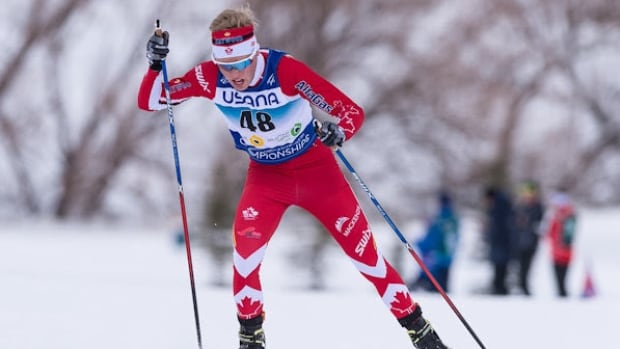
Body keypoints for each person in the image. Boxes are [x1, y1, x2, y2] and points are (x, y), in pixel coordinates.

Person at [137, 6, 451, 349]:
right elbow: (152, 100)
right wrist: (155, 66)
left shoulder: (284, 70)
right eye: (226, 67)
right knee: (245, 257)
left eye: (241, 64)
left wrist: (338, 132)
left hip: (318, 174)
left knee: (367, 259)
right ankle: (251, 338)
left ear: (254, 53)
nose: (235, 75)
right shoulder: (208, 77)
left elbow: (350, 112)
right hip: (266, 178)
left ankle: (420, 332)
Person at [409, 191, 459, 293]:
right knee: (443, 289)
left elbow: (432, 238)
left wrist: (418, 243)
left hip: (436, 258)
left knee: (435, 289)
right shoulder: (454, 219)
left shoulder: (439, 219)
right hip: (448, 258)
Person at [543, 188, 577, 297]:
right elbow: (549, 233)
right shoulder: (555, 216)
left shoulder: (569, 216)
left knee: (562, 282)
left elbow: (569, 236)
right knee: (558, 282)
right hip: (555, 252)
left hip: (564, 252)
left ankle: (563, 299)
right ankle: (561, 297)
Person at [513, 180, 545, 296]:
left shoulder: (537, 207)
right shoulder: (519, 206)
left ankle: (525, 288)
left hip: (531, 243)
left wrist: (528, 223)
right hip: (520, 243)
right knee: (520, 267)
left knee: (527, 267)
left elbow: (538, 224)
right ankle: (521, 287)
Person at [482, 186, 514, 295]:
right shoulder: (501, 207)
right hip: (501, 245)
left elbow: (500, 229)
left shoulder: (499, 209)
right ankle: (499, 289)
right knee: (500, 270)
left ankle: (500, 290)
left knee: (500, 270)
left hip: (501, 244)